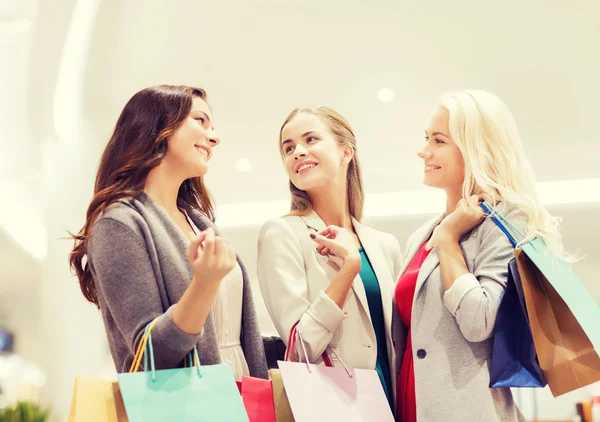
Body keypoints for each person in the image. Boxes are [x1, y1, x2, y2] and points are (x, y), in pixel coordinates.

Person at [69, 85, 268, 381]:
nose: (214, 137)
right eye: (200, 120)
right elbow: (149, 357)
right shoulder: (119, 223)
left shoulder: (198, 221)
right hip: (190, 407)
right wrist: (204, 284)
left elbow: (232, 335)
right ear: (158, 126)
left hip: (244, 399)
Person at [393, 90, 569, 421]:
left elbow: (478, 322)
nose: (423, 151)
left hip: (467, 410)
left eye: (438, 140)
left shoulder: (504, 221)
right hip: (411, 401)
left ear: (474, 149)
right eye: (426, 138)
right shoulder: (420, 236)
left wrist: (448, 239)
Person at [257, 106, 402, 405]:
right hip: (336, 404)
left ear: (346, 151)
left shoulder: (384, 245)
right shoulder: (282, 234)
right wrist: (348, 269)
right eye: (288, 148)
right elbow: (300, 349)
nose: (298, 152)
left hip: (393, 400)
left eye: (311, 139)